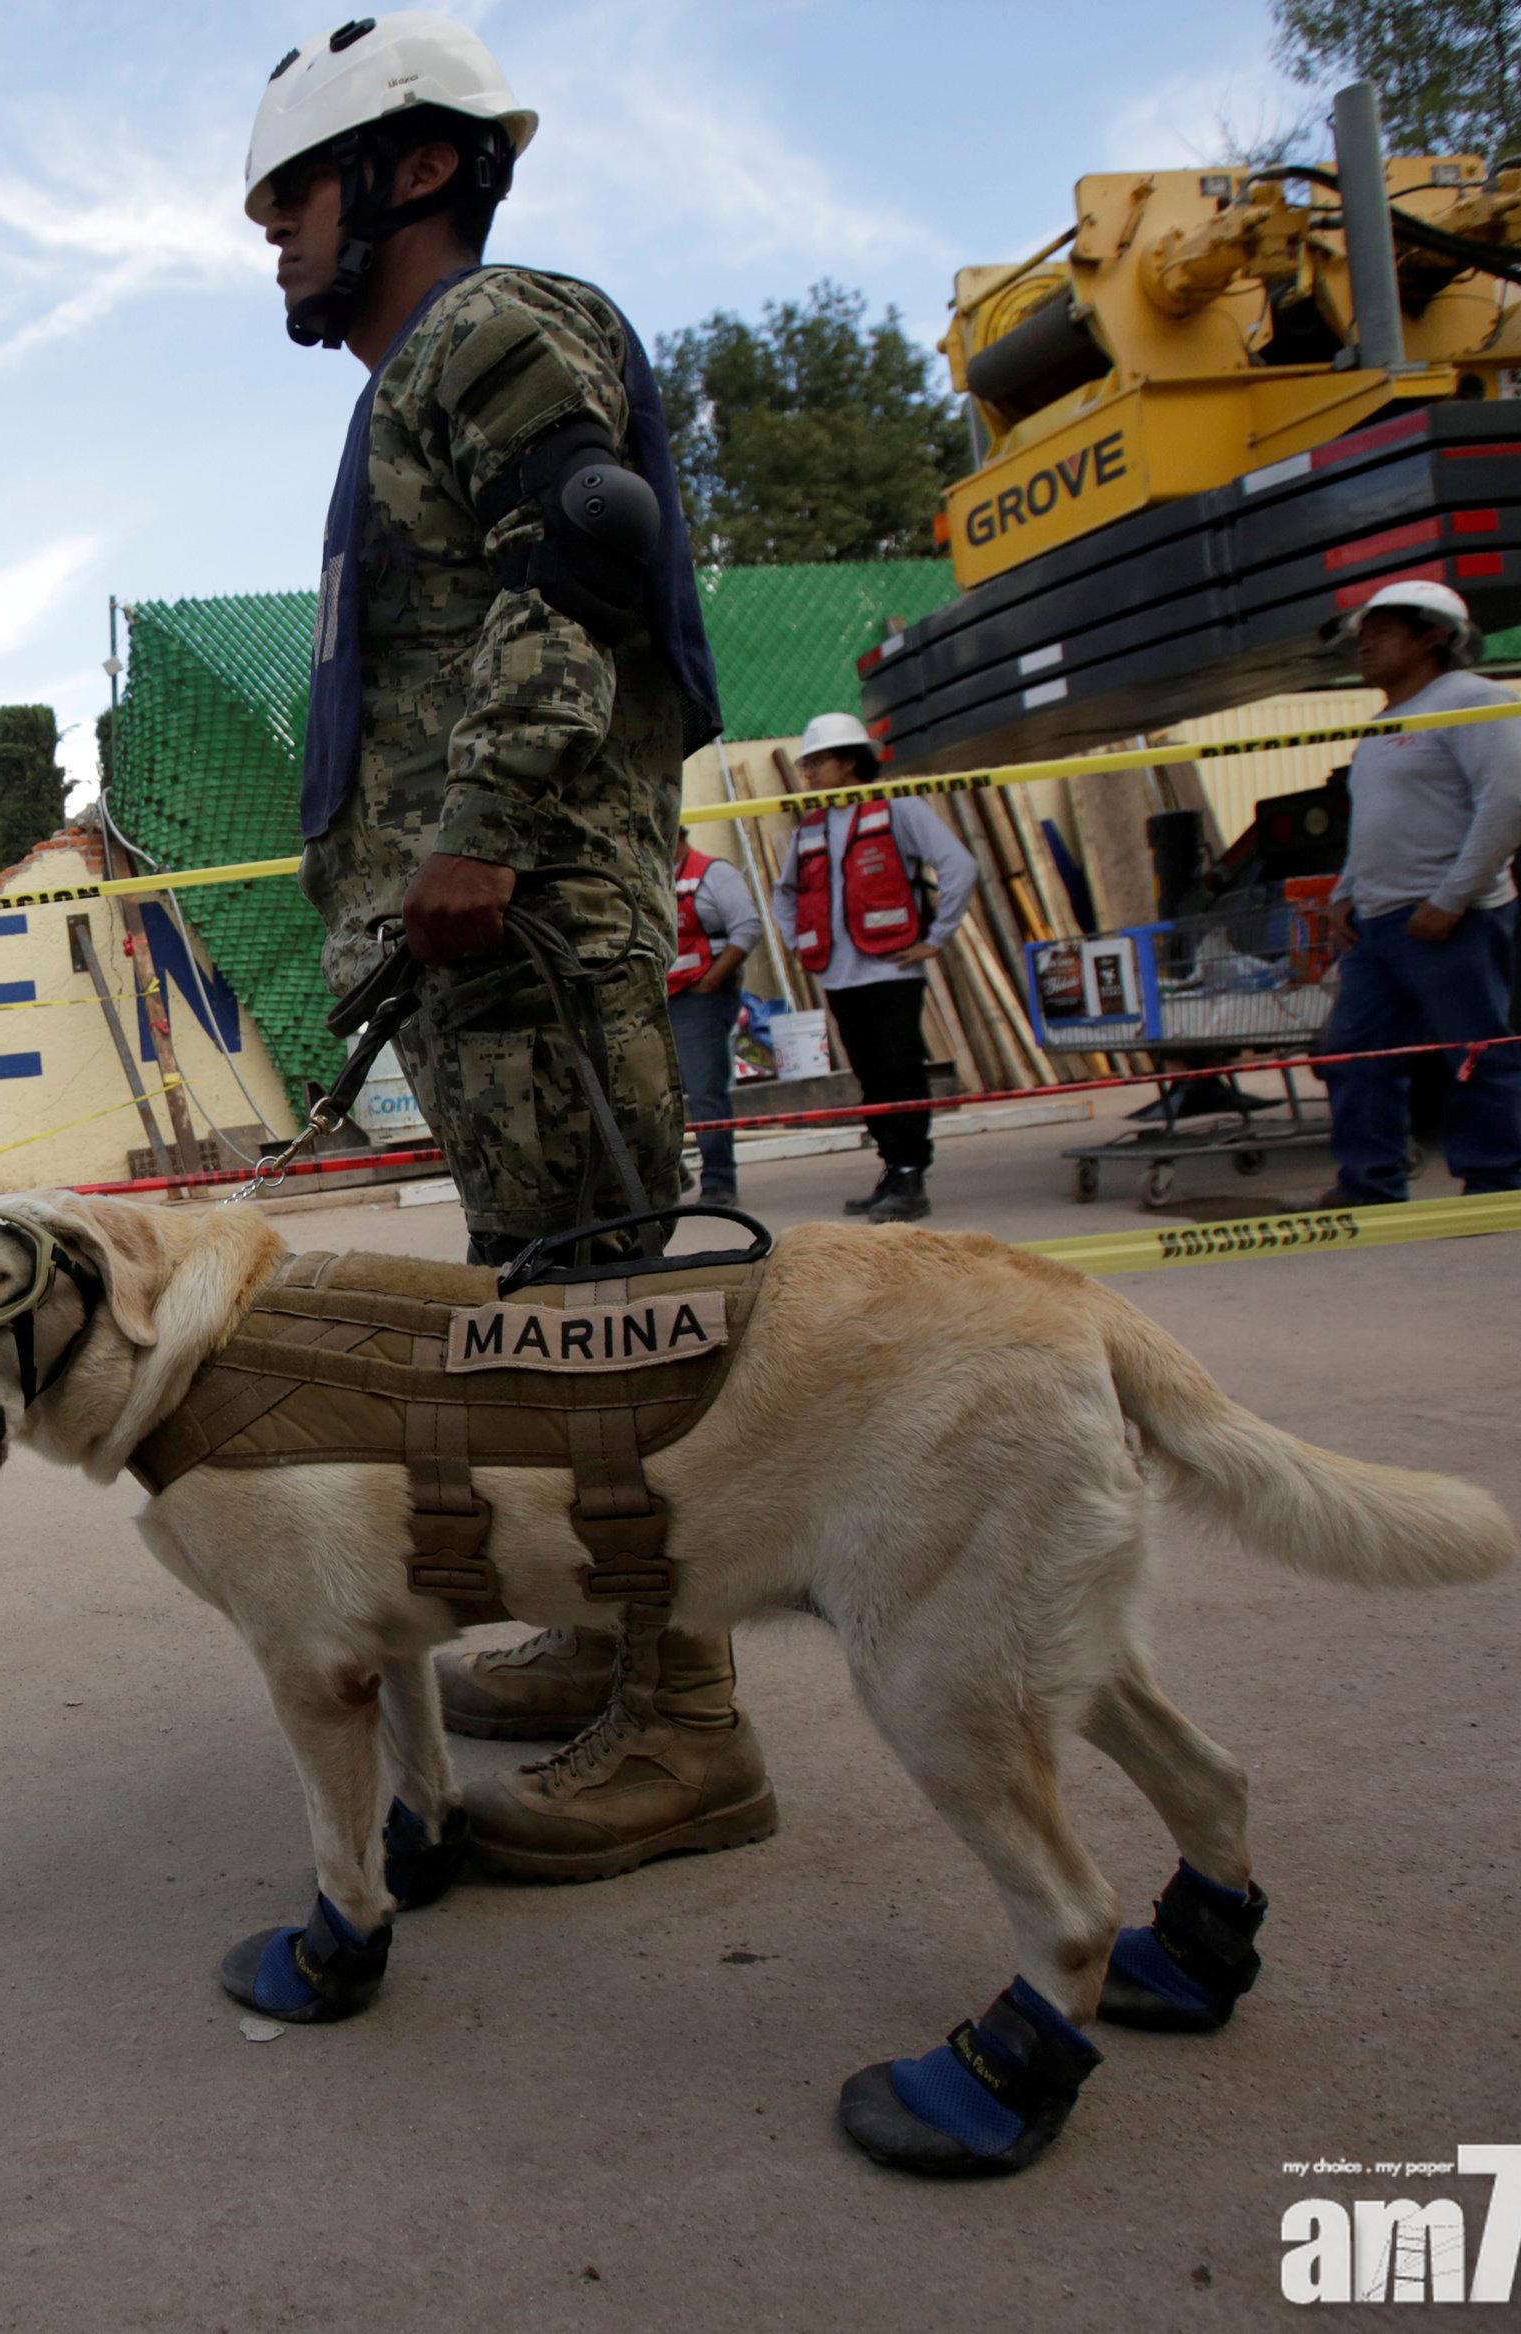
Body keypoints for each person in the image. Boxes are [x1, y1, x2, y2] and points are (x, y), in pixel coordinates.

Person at [246, 14, 774, 1892]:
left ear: (410, 170)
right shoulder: (413, 377)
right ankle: (620, 1634)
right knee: (554, 1309)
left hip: (528, 910)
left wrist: (473, 833)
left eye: (294, 193)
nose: (275, 235)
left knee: (609, 1317)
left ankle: (693, 1723)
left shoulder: (485, 325)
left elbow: (582, 564)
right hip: (489, 936)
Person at [1306, 578, 1521, 1206]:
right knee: (1354, 1056)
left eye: (1381, 633)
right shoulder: (1384, 723)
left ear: (1432, 636)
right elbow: (1375, 818)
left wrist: (1451, 899)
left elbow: (1509, 804)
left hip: (1450, 921)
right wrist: (1346, 893)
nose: (1365, 647)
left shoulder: (1476, 701)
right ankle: (1369, 1186)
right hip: (1380, 925)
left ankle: (1497, 1184)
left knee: (1474, 1054)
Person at [770, 712, 976, 1223]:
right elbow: (786, 893)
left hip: (890, 972)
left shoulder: (899, 809)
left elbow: (958, 866)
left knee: (899, 1072)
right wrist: (800, 941)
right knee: (871, 1077)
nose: (808, 773)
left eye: (817, 762)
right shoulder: (813, 824)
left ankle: (911, 1174)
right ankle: (892, 1168)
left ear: (849, 762)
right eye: (806, 763)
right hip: (839, 974)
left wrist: (935, 939)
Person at [667, 838, 762, 1206]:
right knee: (653, 1097)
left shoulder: (713, 874)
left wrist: (712, 979)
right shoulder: (649, 877)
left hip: (700, 999)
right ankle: (673, 1174)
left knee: (705, 1092)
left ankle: (720, 1181)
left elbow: (748, 928)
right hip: (658, 998)